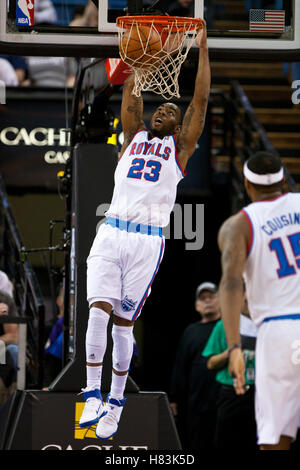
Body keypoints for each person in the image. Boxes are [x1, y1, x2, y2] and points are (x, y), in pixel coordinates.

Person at [79, 26, 211, 440]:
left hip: (146, 241)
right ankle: (91, 392)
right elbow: (133, 98)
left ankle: (116, 400)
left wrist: (203, 53)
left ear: (177, 126)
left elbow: (201, 102)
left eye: (170, 111)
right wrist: (142, 59)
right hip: (112, 232)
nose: (163, 112)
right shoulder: (133, 136)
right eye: (161, 109)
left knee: (123, 325)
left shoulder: (180, 149)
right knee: (97, 311)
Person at [218, 150, 300, 451]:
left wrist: (235, 346)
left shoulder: (238, 224)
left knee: (275, 440)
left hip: (279, 333)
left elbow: (230, 283)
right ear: (285, 184)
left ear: (247, 186)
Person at [169, 282, 221, 450]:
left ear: (221, 300)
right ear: (197, 306)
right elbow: (180, 366)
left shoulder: (229, 327)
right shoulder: (191, 331)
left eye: (211, 297)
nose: (207, 301)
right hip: (196, 402)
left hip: (224, 398)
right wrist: (174, 398)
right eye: (203, 298)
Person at [202, 293, 258, 450]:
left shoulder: (266, 325)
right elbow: (210, 363)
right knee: (228, 442)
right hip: (231, 393)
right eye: (246, 301)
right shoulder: (224, 325)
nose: (249, 304)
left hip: (261, 393)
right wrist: (232, 350)